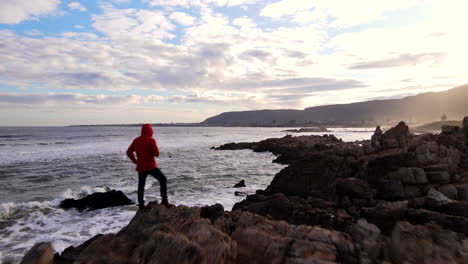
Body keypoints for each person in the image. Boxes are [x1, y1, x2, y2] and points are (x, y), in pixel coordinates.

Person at [126, 124, 171, 209]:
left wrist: (135, 161)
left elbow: (129, 152)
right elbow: (156, 154)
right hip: (151, 166)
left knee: (141, 186)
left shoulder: (136, 140)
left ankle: (141, 205)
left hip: (141, 167)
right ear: (150, 131)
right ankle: (164, 201)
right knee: (163, 180)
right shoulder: (151, 140)